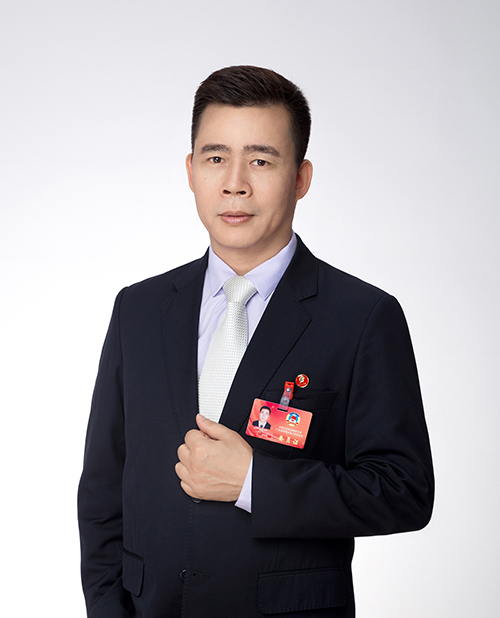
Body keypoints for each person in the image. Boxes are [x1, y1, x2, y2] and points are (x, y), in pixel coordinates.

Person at [78, 65, 434, 618]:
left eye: (261, 160)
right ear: (191, 170)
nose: (235, 183)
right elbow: (103, 490)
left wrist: (254, 482)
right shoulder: (138, 310)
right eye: (216, 158)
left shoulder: (362, 317)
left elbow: (403, 491)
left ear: (301, 178)